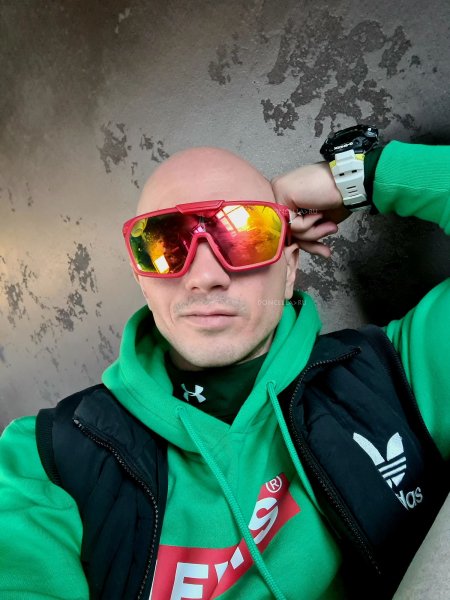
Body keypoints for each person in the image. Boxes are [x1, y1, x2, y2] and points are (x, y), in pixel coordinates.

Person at [0, 133, 449, 600]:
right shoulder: (45, 460)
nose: (205, 277)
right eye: (165, 245)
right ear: (142, 280)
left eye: (244, 235)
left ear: (289, 268)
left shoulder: (397, 372)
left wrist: (359, 176)